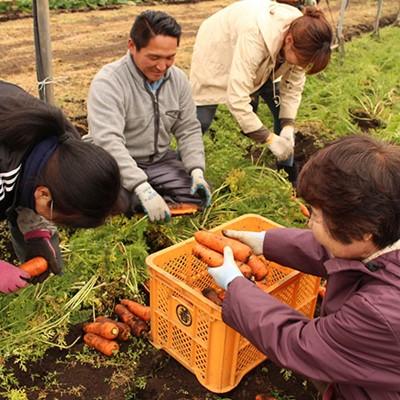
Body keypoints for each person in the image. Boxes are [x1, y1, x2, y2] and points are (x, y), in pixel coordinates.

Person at [208, 135, 400, 399]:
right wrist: (264, 242)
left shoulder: (381, 312)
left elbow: (299, 343)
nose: (309, 223)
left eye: (317, 216)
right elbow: (337, 250)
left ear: (365, 230)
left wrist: (236, 286)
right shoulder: (382, 232)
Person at [85, 10, 211, 223]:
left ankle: (149, 198)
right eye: (154, 57)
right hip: (115, 163)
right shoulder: (109, 82)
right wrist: (141, 186)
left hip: (158, 161)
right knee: (114, 203)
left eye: (170, 57)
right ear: (132, 46)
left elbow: (188, 128)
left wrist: (196, 170)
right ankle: (136, 198)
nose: (162, 66)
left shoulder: (178, 80)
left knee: (196, 197)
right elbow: (108, 141)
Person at [190, 0, 333, 182]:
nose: (302, 66)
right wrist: (268, 139)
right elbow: (237, 98)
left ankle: (286, 172)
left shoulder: (305, 38)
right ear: (288, 41)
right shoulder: (256, 36)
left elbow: (292, 87)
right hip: (218, 45)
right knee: (202, 118)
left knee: (279, 108)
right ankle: (183, 170)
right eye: (302, 61)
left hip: (267, 60)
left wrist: (288, 126)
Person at [0, 80, 121, 294]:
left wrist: (36, 231)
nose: (50, 221)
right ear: (44, 194)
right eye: (53, 217)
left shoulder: (64, 142)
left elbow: (35, 174)